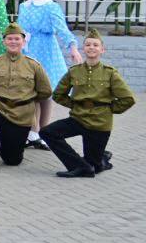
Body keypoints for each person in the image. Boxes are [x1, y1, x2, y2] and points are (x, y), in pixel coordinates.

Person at [43, 28, 135, 177]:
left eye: (95, 45)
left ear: (102, 50)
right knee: (47, 132)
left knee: (95, 167)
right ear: (83, 48)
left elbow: (128, 99)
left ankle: (101, 159)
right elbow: (58, 94)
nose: (91, 47)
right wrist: (74, 105)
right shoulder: (74, 71)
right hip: (78, 118)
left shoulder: (110, 73)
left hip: (100, 122)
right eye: (88, 45)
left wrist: (108, 109)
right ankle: (79, 166)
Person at [0, 23, 53, 169]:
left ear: (23, 42)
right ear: (4, 42)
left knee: (12, 159)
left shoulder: (34, 66)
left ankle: (9, 150)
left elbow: (45, 91)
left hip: (20, 114)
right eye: (10, 39)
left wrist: (27, 100)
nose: (13, 42)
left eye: (17, 39)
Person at [18, 0, 82, 148]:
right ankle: (32, 131)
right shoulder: (24, 6)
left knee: (45, 92)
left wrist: (73, 47)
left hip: (46, 49)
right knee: (29, 92)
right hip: (28, 49)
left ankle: (44, 132)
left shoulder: (51, 6)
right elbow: (19, 28)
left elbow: (61, 27)